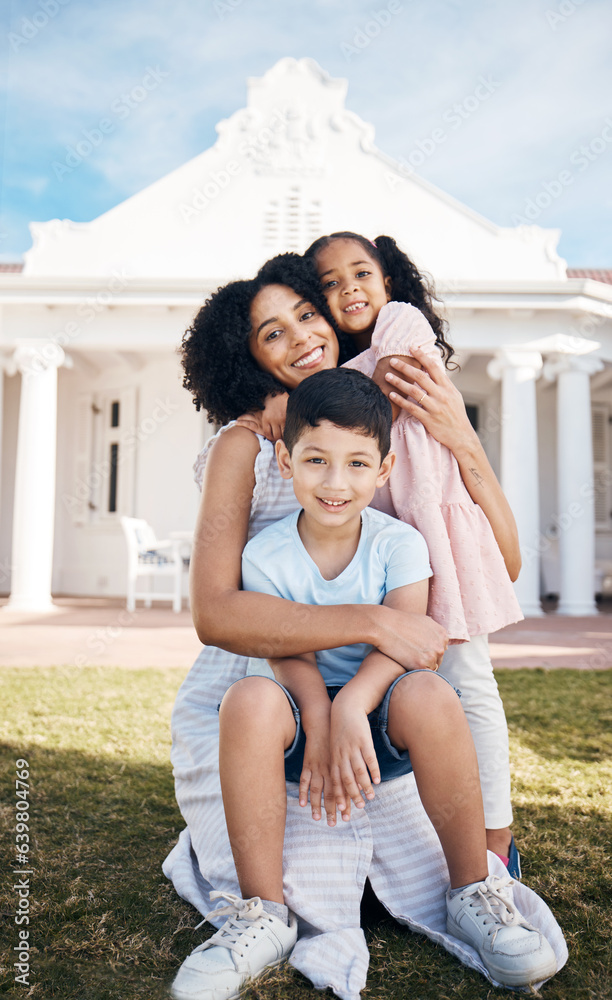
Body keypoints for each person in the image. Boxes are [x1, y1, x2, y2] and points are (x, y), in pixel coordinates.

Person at [165, 254, 566, 1000]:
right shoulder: (246, 443)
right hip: (269, 676)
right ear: (245, 357)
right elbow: (216, 612)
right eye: (271, 334)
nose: (299, 338)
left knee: (437, 707)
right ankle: (263, 911)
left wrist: (461, 437)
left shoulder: (382, 429)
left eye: (308, 316)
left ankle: (480, 883)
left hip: (374, 673)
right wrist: (374, 623)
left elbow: (492, 561)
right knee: (277, 750)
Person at [302, 231, 524, 875]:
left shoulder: (400, 329)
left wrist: (321, 387)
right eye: (331, 284)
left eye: (362, 273)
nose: (350, 290)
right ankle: (415, 841)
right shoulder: (336, 371)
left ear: (389, 282)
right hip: (382, 545)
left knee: (466, 683)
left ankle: (497, 842)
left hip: (439, 540)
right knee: (403, 690)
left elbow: (385, 384)